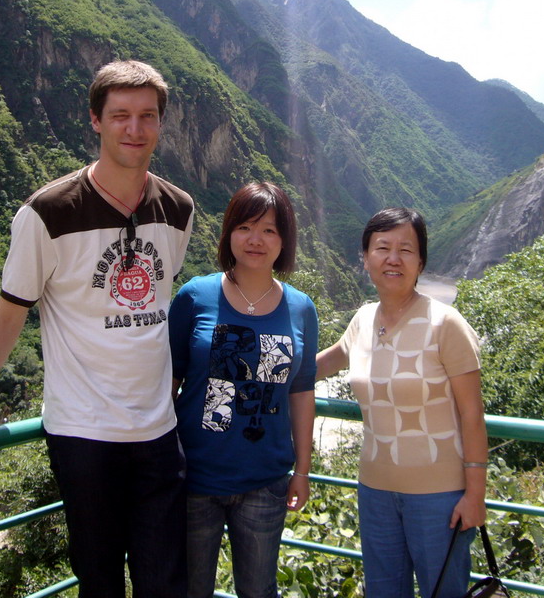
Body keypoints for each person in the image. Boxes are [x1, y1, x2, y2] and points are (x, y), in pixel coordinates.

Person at [0, 60, 194, 598]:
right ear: (95, 121)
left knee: (165, 581)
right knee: (99, 582)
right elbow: (8, 312)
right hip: (85, 435)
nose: (135, 129)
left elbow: (158, 307)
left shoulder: (178, 209)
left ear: (160, 124)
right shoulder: (47, 212)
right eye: (120, 115)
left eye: (147, 116)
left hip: (159, 434)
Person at [316, 207, 488, 598]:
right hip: (374, 491)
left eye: (405, 250)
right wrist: (260, 372)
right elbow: (325, 363)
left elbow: (472, 414)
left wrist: (475, 494)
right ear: (365, 258)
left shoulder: (446, 324)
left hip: (441, 497)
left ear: (421, 262)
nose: (393, 258)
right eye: (382, 248)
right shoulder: (362, 320)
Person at [169, 182, 317, 598]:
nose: (256, 239)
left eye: (270, 230)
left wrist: (302, 470)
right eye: (246, 227)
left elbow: (301, 392)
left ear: (284, 241)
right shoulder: (196, 296)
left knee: (258, 590)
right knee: (189, 589)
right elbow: (168, 383)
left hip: (265, 481)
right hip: (194, 477)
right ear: (229, 233)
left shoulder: (302, 308)